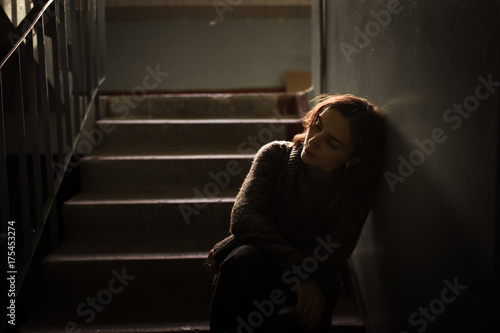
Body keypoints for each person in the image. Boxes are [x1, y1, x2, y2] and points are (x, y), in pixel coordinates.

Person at [204, 94, 386, 333]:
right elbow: (244, 217)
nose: (313, 141)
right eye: (317, 126)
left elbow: (331, 255)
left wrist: (300, 276)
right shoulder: (275, 155)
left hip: (314, 283)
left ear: (353, 157)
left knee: (290, 320)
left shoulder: (356, 193)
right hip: (265, 272)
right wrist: (298, 274)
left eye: (332, 143)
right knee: (244, 258)